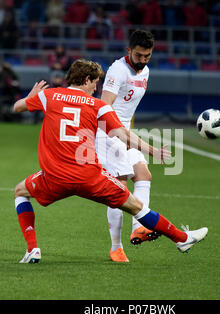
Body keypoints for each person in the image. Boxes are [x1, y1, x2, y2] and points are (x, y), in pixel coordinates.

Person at [12, 59, 208, 263]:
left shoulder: (49, 95)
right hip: (90, 177)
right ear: (86, 79)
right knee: (136, 206)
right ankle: (182, 239)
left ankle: (33, 249)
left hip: (55, 177)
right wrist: (152, 151)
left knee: (20, 192)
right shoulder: (98, 106)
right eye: (95, 82)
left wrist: (30, 97)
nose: (96, 88)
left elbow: (17, 108)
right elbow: (123, 135)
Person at [95, 30, 158, 263]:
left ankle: (139, 227)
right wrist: (119, 134)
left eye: (147, 56)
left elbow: (127, 108)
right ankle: (116, 247)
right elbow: (105, 106)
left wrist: (129, 134)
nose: (143, 61)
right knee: (118, 190)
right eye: (139, 55)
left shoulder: (146, 71)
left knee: (143, 174)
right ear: (128, 50)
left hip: (124, 133)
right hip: (108, 134)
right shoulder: (118, 70)